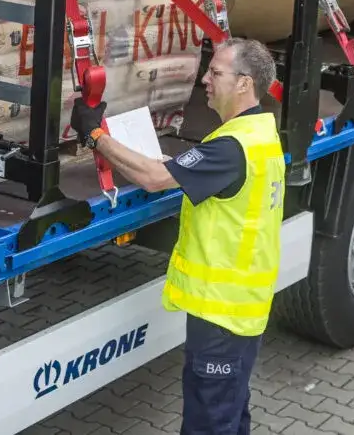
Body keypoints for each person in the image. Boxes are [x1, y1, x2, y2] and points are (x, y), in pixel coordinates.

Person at [69, 36, 285, 435]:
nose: (205, 78)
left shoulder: (231, 148)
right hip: (240, 313)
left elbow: (154, 179)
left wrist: (95, 135)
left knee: (209, 423)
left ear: (244, 83)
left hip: (222, 317)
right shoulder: (257, 137)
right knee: (231, 416)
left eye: (216, 72)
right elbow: (179, 170)